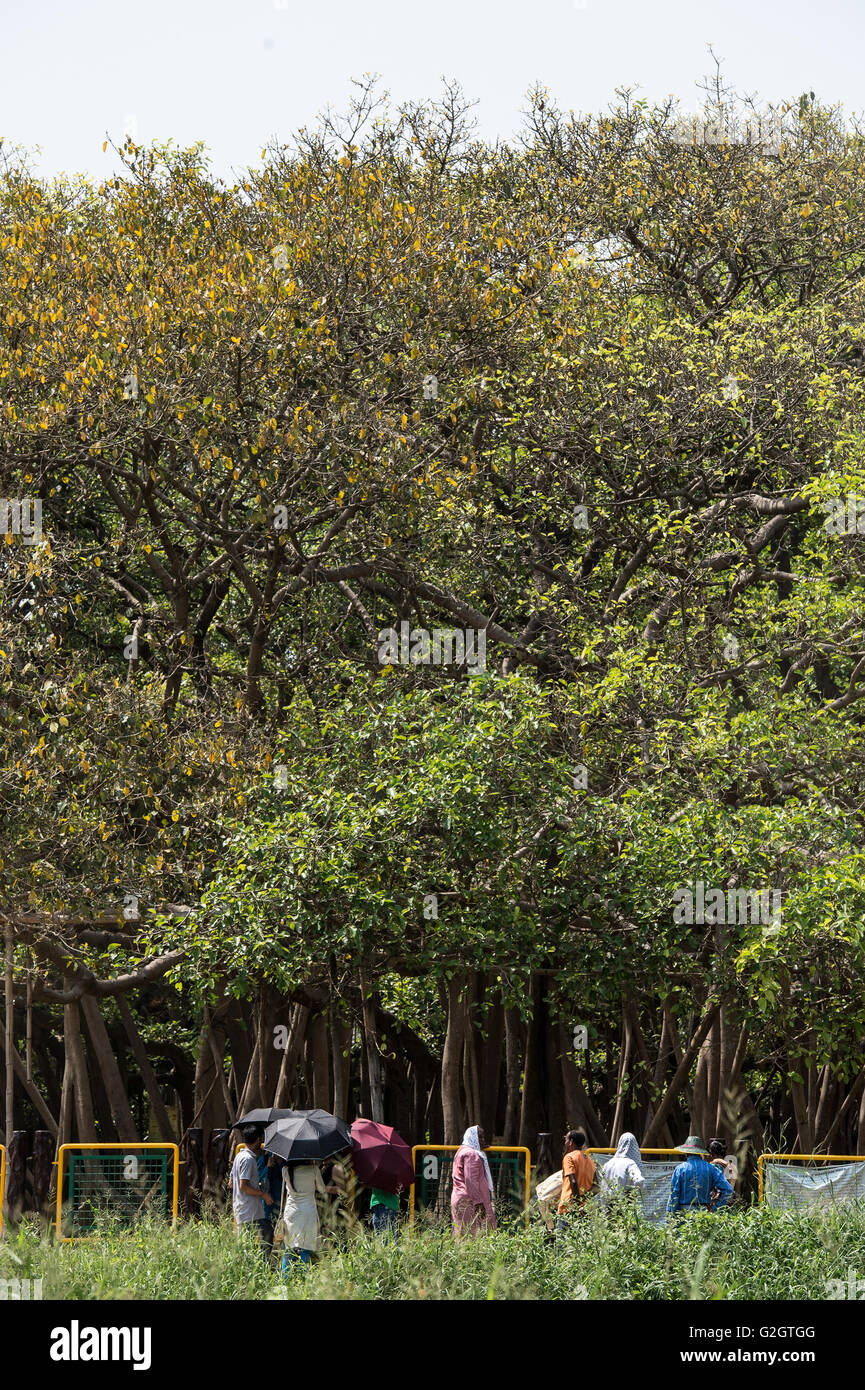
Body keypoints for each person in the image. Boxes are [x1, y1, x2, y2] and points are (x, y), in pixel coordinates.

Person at [229, 1124, 274, 1253]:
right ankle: (262, 1268)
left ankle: (254, 1267)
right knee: (266, 1237)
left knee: (252, 1242)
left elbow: (231, 1183)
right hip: (250, 1212)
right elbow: (243, 1186)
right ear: (258, 1139)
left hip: (243, 1209)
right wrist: (263, 1194)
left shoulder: (239, 1156)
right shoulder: (248, 1159)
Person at [667, 1135, 733, 1217]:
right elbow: (728, 1190)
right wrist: (716, 1208)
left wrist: (671, 1215)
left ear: (686, 1153)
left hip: (683, 1213)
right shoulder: (711, 1168)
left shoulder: (680, 1169)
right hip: (704, 1212)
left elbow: (674, 1194)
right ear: (701, 1152)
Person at [451, 1125, 496, 1237]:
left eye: (483, 1138)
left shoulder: (462, 1151)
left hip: (460, 1198)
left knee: (462, 1235)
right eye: (479, 1138)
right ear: (473, 1138)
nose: (483, 1140)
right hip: (470, 1201)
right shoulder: (471, 1154)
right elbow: (470, 1180)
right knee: (473, 1237)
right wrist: (478, 1203)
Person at [281, 1160, 327, 1270]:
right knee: (305, 1248)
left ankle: (285, 1280)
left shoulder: (285, 1170)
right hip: (308, 1212)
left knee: (288, 1248)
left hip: (291, 1212)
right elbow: (322, 1189)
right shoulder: (314, 1169)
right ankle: (303, 1280)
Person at [557, 1129, 597, 1231]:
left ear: (571, 1142)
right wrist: (584, 1200)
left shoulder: (569, 1158)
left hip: (569, 1207)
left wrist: (576, 1203)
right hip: (585, 1210)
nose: (565, 1142)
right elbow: (597, 1186)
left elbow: (573, 1182)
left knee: (563, 1243)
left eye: (566, 1139)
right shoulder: (590, 1160)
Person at [600, 1131, 645, 1208]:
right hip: (624, 1204)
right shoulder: (630, 1163)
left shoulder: (608, 1164)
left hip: (608, 1204)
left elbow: (602, 1184)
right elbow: (639, 1181)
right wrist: (631, 1195)